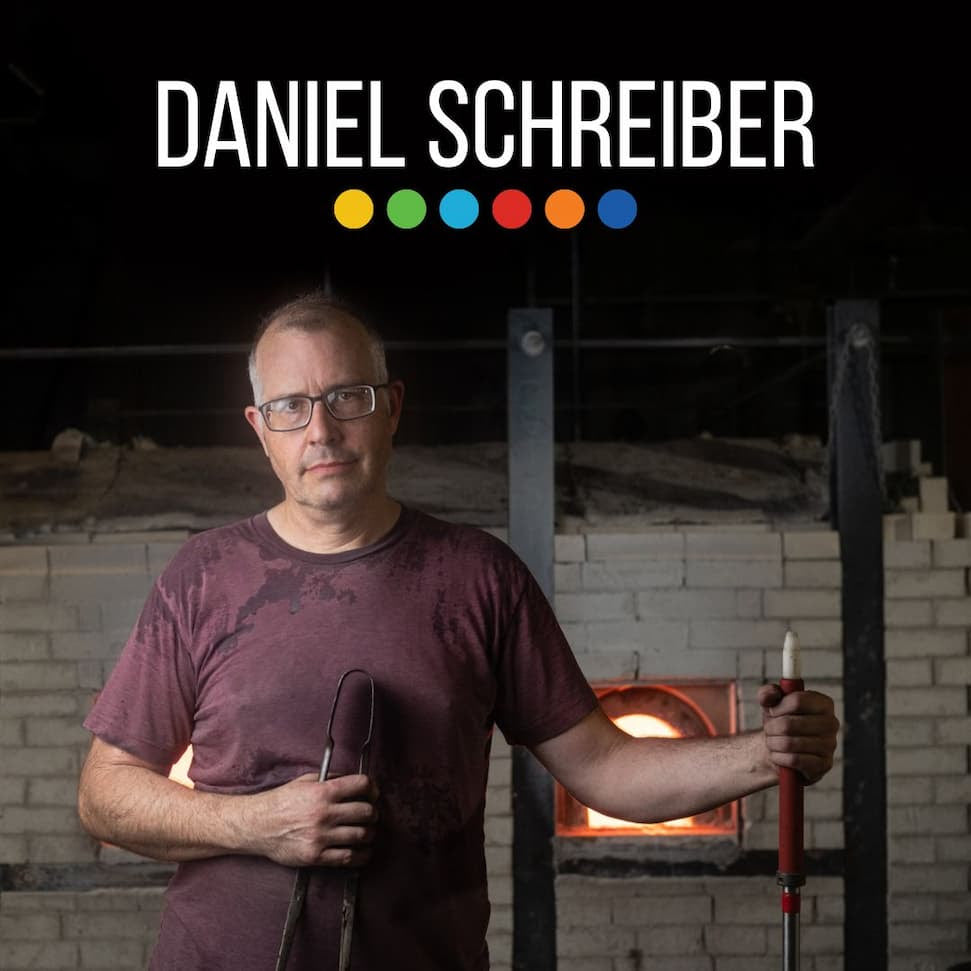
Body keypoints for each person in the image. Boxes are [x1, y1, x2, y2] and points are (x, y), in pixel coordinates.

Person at [78, 293, 839, 970]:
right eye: (290, 406)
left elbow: (604, 768)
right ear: (260, 427)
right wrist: (256, 823)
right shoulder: (203, 575)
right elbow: (105, 796)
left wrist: (763, 753)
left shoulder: (478, 576)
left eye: (347, 397)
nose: (321, 429)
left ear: (392, 406)